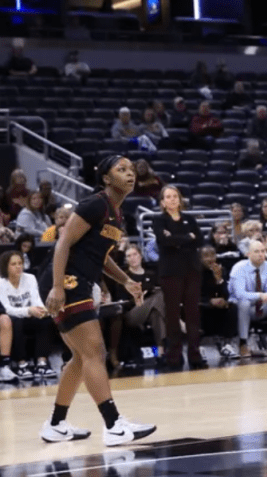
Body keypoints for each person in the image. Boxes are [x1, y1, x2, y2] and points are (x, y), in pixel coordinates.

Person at [38, 155, 156, 445]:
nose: (130, 174)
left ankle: (55, 424)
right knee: (95, 352)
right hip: (66, 282)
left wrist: (126, 281)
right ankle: (114, 425)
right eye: (121, 170)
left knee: (80, 358)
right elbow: (63, 242)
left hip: (76, 282)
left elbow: (101, 257)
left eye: (131, 170)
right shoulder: (95, 204)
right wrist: (57, 287)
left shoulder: (117, 213)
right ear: (106, 178)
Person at [152, 186, 204, 369]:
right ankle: (174, 356)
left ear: (180, 200)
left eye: (175, 196)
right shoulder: (159, 220)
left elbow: (200, 240)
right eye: (168, 197)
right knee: (173, 315)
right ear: (162, 202)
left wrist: (176, 238)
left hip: (192, 270)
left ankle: (195, 355)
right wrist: (186, 238)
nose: (173, 200)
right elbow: (164, 241)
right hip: (171, 272)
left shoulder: (189, 219)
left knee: (192, 314)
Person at [0, 249, 56, 380]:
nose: (18, 266)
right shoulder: (1, 283)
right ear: (5, 266)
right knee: (17, 321)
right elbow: (6, 309)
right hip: (13, 318)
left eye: (20, 263)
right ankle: (22, 364)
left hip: (29, 315)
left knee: (46, 320)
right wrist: (28, 311)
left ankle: (42, 363)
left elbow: (37, 300)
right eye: (13, 264)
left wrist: (42, 310)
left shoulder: (30, 278)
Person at [227, 240, 267, 357]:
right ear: (248, 254)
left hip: (259, 307)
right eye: (256, 251)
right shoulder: (239, 268)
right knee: (244, 303)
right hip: (238, 309)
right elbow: (239, 294)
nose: (261, 254)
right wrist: (260, 295)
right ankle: (243, 343)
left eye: (263, 251)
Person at [116, 244, 166, 368]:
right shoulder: (124, 277)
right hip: (132, 313)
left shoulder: (151, 273)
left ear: (140, 256)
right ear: (126, 259)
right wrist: (139, 298)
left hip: (151, 309)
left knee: (156, 313)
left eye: (135, 254)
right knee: (159, 294)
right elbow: (122, 301)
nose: (132, 258)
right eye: (129, 256)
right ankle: (178, 321)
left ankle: (160, 351)